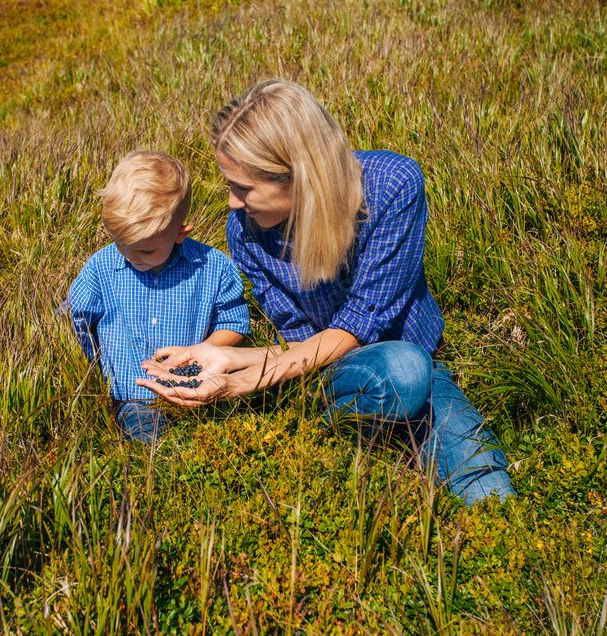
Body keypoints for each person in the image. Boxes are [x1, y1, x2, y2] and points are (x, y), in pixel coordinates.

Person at [138, 81, 515, 506]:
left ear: (296, 176)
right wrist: (226, 358)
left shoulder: (393, 188)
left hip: (411, 362)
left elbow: (357, 325)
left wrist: (239, 384)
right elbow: (301, 341)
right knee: (404, 374)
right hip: (323, 373)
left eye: (242, 187)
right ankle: (358, 423)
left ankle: (374, 427)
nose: (232, 203)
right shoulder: (245, 232)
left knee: (488, 492)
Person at [66, 151, 250, 443]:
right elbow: (76, 319)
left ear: (180, 233)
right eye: (121, 244)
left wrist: (200, 350)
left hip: (198, 387)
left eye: (147, 250)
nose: (131, 256)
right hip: (136, 398)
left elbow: (235, 323)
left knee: (224, 436)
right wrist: (93, 369)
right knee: (152, 445)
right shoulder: (101, 267)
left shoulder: (214, 267)